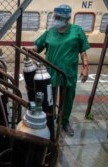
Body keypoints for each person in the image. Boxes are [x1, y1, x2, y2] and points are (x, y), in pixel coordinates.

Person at [31, 4, 90, 136]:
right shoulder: (49, 32)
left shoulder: (77, 31)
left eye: (57, 17)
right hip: (50, 74)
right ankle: (49, 120)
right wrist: (32, 50)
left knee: (67, 99)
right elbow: (37, 46)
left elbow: (83, 51)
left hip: (68, 74)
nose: (55, 19)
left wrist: (86, 67)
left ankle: (64, 122)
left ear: (66, 18)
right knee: (48, 98)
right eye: (55, 16)